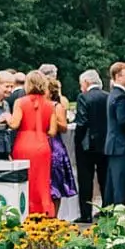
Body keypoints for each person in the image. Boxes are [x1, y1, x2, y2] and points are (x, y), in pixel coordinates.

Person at [6, 71, 62, 217]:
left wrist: (6, 116)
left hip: (23, 144)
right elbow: (52, 131)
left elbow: (14, 124)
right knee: (42, 183)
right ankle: (45, 213)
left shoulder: (20, 102)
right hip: (42, 145)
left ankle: (25, 212)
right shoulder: (50, 105)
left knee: (25, 181)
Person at [73, 70, 109, 223]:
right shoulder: (107, 96)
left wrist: (77, 140)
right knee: (104, 178)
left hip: (87, 145)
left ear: (86, 82)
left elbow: (82, 122)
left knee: (85, 179)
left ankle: (86, 214)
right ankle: (107, 210)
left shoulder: (83, 97)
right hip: (105, 143)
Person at [103, 62, 125, 207]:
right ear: (118, 76)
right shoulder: (121, 97)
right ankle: (120, 212)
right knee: (120, 185)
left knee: (112, 185)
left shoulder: (113, 94)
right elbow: (124, 122)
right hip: (121, 146)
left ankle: (111, 211)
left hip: (114, 146)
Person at [45, 76, 78, 214]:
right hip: (41, 142)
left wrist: (50, 119)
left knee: (55, 183)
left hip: (54, 145)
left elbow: (64, 127)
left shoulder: (57, 106)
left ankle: (54, 216)